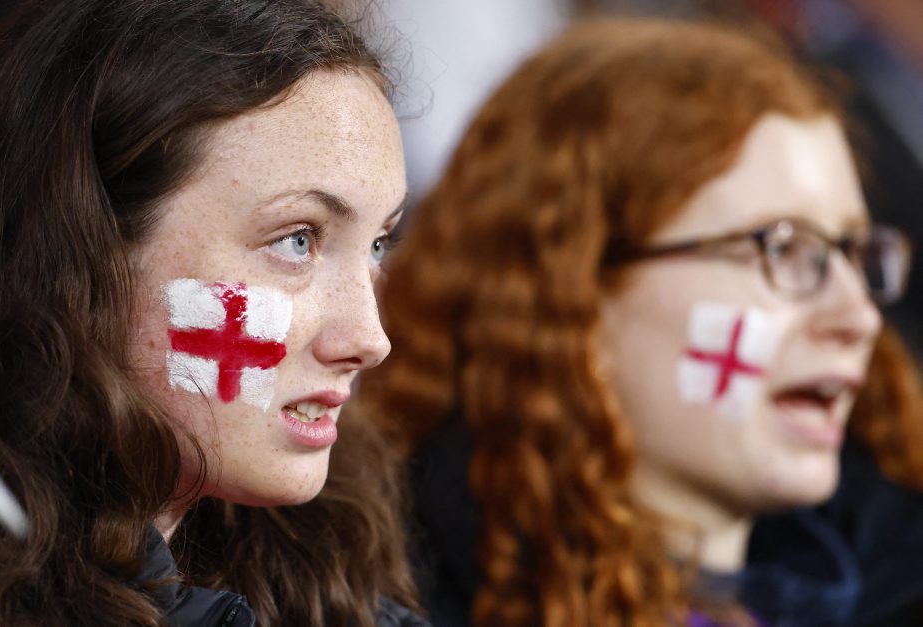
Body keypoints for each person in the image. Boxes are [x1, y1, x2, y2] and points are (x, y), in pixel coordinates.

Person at [359, 16, 912, 626]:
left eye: (854, 252)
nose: (859, 316)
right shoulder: (360, 597)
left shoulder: (894, 579)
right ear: (575, 293)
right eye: (784, 246)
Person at [0, 1, 424, 625]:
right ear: (86, 250)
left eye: (378, 244)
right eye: (297, 239)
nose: (370, 339)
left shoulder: (329, 583)